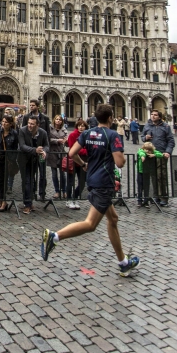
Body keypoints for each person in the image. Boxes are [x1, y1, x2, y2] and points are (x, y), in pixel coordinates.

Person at [42, 104, 140, 278]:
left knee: (113, 219)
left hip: (93, 179)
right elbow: (120, 162)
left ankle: (123, 263)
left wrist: (84, 164)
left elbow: (71, 153)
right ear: (111, 118)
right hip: (104, 182)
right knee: (90, 224)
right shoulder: (112, 135)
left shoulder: (87, 133)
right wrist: (117, 155)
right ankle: (54, 237)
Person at [141, 110, 174, 206]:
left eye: (155, 115)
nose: (153, 116)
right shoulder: (147, 125)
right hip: (149, 154)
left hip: (161, 154)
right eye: (152, 114)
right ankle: (155, 196)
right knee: (153, 176)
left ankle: (163, 197)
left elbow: (171, 140)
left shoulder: (166, 126)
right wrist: (145, 138)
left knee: (161, 176)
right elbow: (142, 137)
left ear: (159, 117)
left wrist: (168, 152)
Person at [18, 116, 49, 214]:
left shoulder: (43, 133)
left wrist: (44, 151)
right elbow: (22, 146)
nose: (30, 125)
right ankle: (27, 204)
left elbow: (47, 145)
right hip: (24, 159)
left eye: (32, 124)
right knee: (27, 181)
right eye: (29, 123)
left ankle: (29, 201)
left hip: (35, 161)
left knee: (31, 181)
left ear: (37, 125)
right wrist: (35, 150)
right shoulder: (22, 131)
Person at [0, 113, 18, 212]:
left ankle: (3, 200)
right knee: (0, 178)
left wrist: (12, 158)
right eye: (3, 121)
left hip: (7, 159)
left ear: (10, 124)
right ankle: (1, 199)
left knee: (4, 179)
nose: (4, 123)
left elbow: (15, 147)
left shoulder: (14, 133)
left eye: (6, 122)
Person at [65, 118, 88, 209]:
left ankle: (75, 197)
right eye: (79, 126)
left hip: (84, 162)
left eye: (83, 126)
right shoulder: (73, 135)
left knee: (83, 182)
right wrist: (85, 151)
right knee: (70, 181)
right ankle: (69, 200)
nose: (81, 128)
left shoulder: (87, 136)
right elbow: (72, 149)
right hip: (73, 161)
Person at [135, 141, 163, 207]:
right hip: (141, 172)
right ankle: (139, 200)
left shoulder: (153, 152)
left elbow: (160, 154)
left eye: (149, 150)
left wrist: (154, 155)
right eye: (146, 149)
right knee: (140, 186)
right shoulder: (141, 151)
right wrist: (143, 156)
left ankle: (146, 201)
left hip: (147, 172)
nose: (148, 151)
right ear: (144, 148)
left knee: (146, 187)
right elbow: (141, 153)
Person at [48, 115, 68, 199]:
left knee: (62, 174)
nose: (58, 121)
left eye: (60, 119)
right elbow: (47, 139)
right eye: (56, 119)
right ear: (54, 120)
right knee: (54, 174)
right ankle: (57, 191)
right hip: (52, 153)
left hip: (61, 153)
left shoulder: (64, 130)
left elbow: (67, 140)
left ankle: (64, 191)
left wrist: (66, 141)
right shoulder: (50, 128)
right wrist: (57, 140)